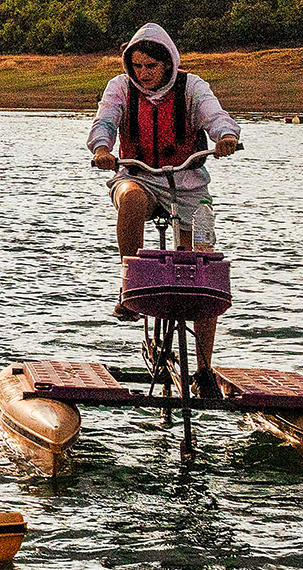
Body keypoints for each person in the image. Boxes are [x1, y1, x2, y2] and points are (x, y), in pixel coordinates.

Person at [88, 21, 240, 380]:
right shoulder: (120, 87)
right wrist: (102, 148)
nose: (143, 73)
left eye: (150, 66)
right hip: (138, 176)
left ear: (168, 62)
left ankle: (203, 369)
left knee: (201, 273)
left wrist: (226, 136)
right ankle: (130, 286)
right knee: (129, 199)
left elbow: (215, 115)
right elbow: (105, 120)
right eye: (137, 66)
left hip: (188, 187)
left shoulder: (192, 87)